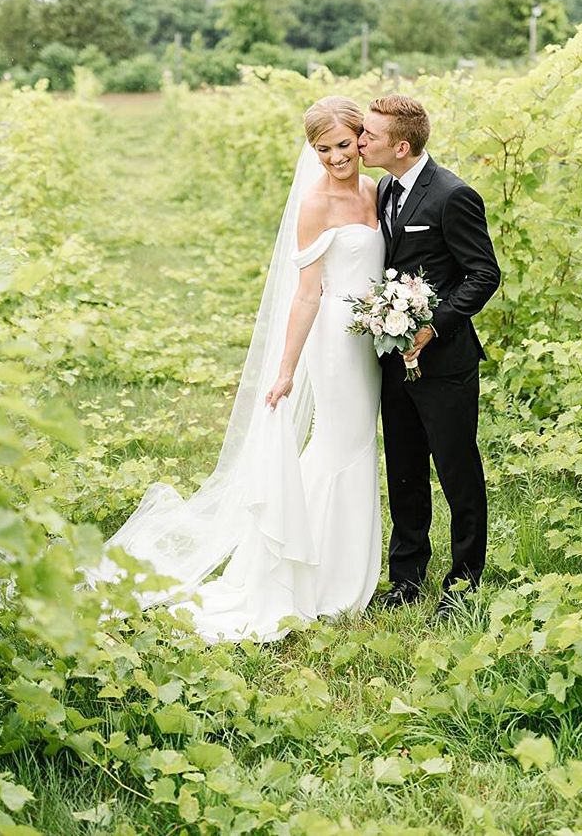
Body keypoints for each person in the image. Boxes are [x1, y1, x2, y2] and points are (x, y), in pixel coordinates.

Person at [93, 96, 384, 642]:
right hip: (333, 346)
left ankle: (345, 568)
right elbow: (306, 295)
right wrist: (286, 369)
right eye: (322, 150)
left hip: (371, 340)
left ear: (361, 138)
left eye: (344, 145)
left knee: (359, 445)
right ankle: (309, 575)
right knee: (337, 446)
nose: (335, 158)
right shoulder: (315, 203)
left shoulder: (372, 191)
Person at [357, 95, 500, 619]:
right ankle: (406, 577)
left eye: (368, 135)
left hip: (444, 362)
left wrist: (433, 327)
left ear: (400, 144)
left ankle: (464, 583)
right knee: (404, 468)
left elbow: (483, 275)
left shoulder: (453, 196)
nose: (359, 140)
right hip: (391, 357)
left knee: (457, 470)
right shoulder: (381, 190)